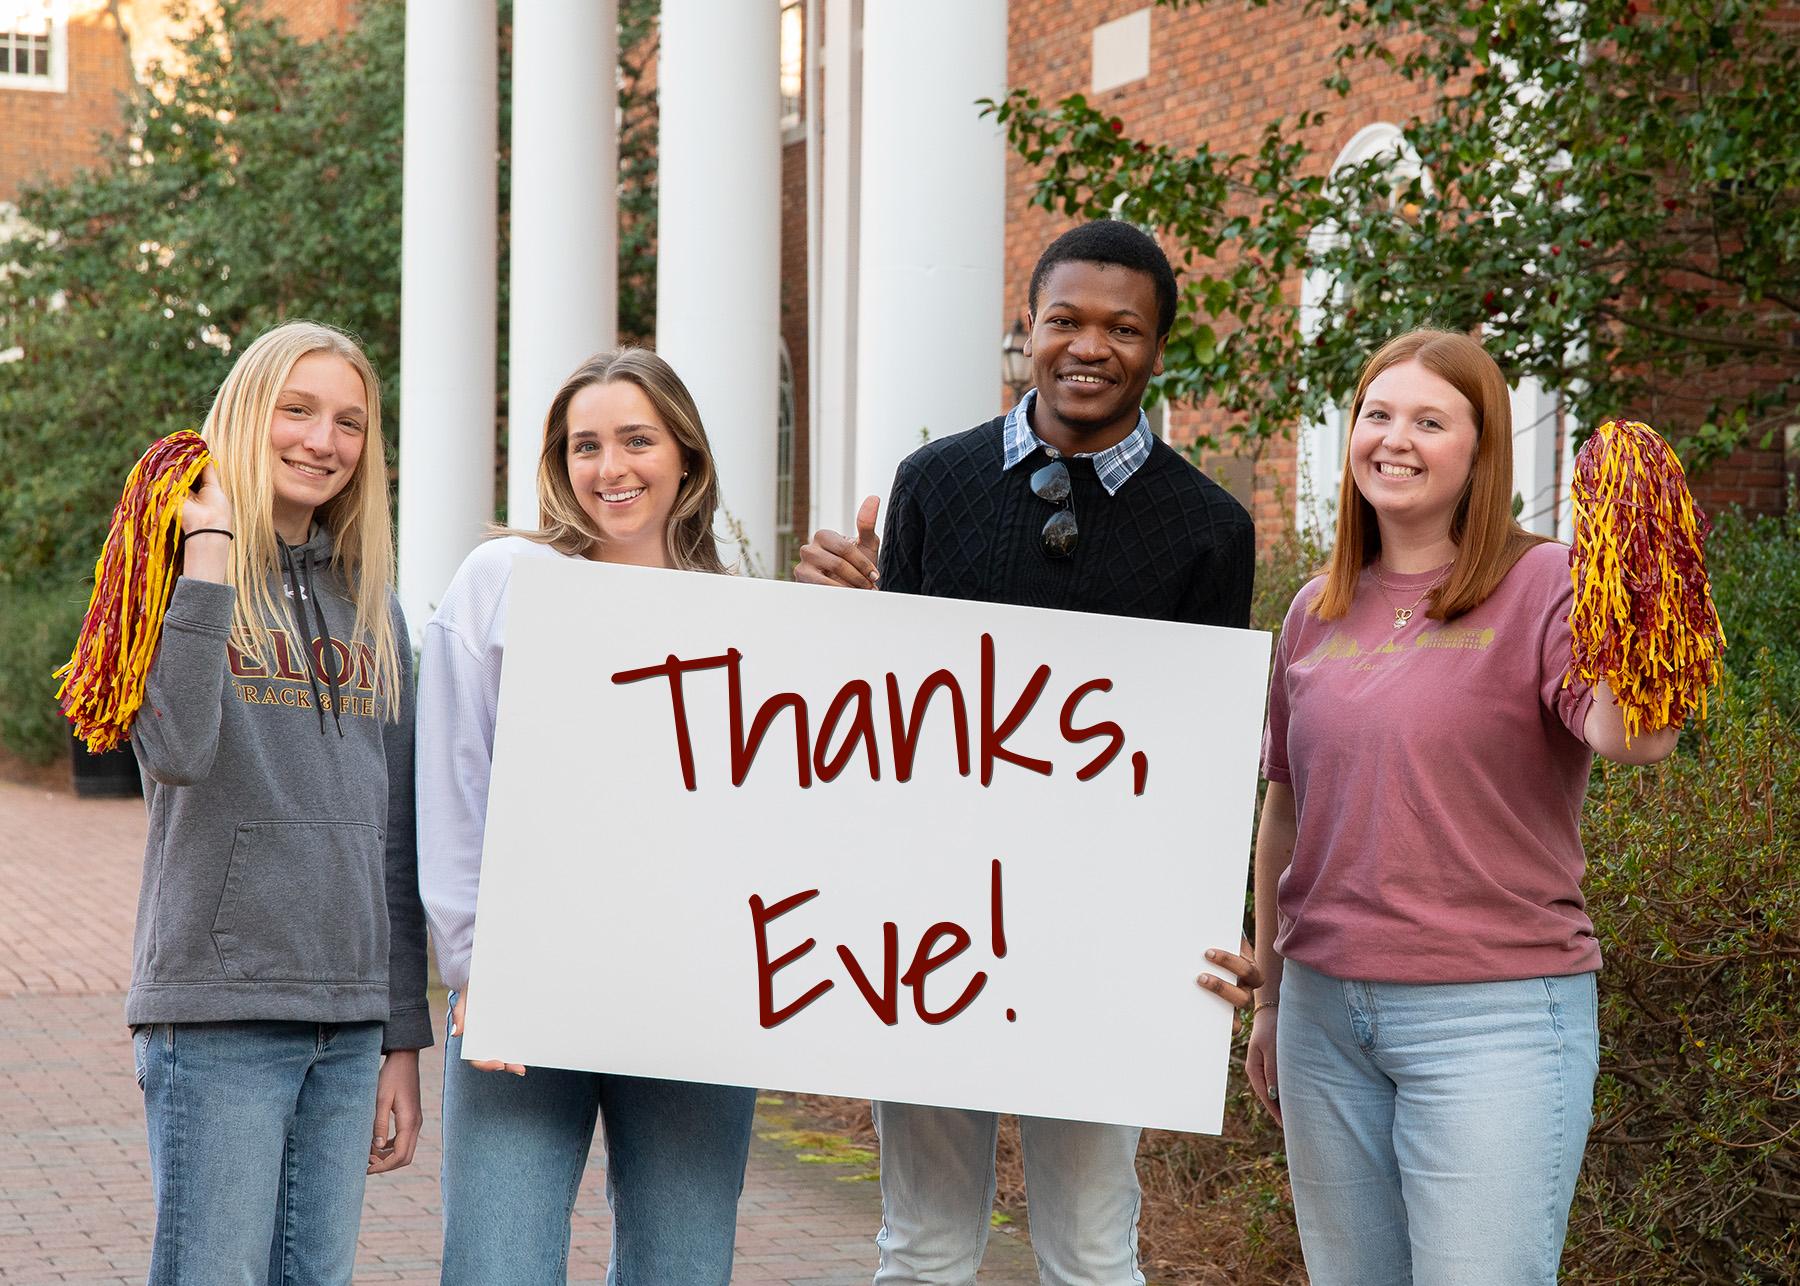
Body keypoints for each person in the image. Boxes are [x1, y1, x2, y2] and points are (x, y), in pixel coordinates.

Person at [797, 219, 1262, 1285]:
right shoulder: (936, 481)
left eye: (1122, 328)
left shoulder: (1209, 529)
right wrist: (842, 617)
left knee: (1093, 1248)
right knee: (922, 1245)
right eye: (1065, 320)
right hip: (931, 918)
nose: (1090, 346)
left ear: (1158, 347)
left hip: (1104, 928)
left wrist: (1216, 911)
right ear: (1028, 329)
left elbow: (1205, 752)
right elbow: (887, 712)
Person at [1246, 329, 1680, 1285]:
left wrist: (1642, 588)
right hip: (1322, 1017)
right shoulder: (1315, 609)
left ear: (1482, 452)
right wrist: (1271, 999)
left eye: (1430, 421)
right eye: (1377, 414)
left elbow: (1633, 738)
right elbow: (1284, 812)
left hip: (1494, 1017)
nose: (1394, 439)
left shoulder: (1545, 583)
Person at [416, 348, 757, 1285]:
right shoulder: (502, 580)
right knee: (498, 1266)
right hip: (527, 986)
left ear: (685, 455)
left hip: (694, 996)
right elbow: (455, 782)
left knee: (682, 1269)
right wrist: (473, 966)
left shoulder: (743, 617)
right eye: (586, 445)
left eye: (638, 440)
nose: (612, 468)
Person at [127, 320, 430, 1285]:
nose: (322, 441)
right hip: (221, 1011)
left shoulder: (372, 604)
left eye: (349, 422)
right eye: (296, 411)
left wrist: (400, 1035)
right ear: (247, 415)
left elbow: (394, 834)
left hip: (348, 1020)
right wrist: (211, 552)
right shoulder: (172, 574)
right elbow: (175, 753)